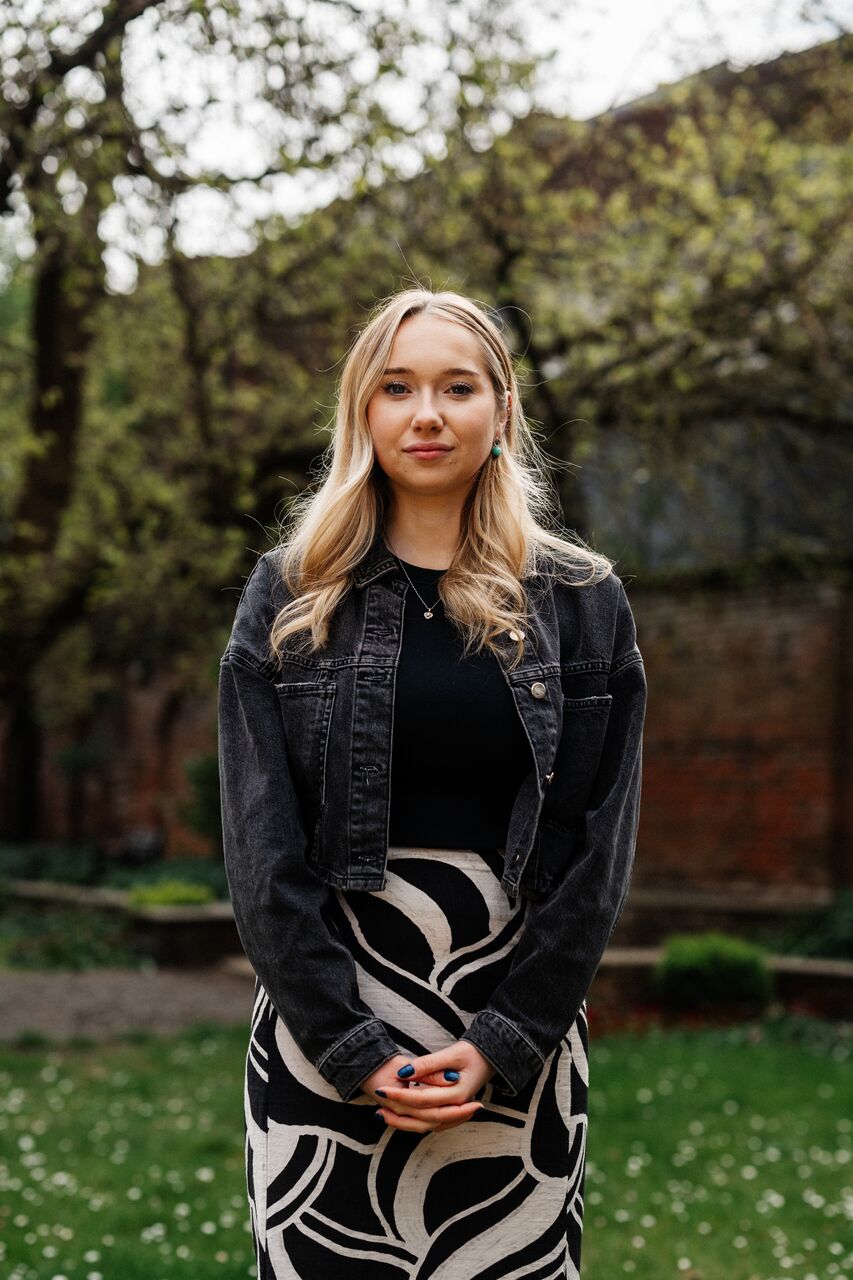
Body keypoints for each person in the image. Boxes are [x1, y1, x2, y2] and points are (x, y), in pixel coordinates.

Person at [218, 286, 647, 1279]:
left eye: (457, 387)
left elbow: (598, 845)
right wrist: (348, 1042)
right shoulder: (290, 594)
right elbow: (260, 845)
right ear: (361, 412)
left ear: (500, 412)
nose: (425, 413)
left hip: (513, 1021)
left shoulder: (584, 602)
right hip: (325, 1017)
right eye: (397, 387)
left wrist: (508, 1033)